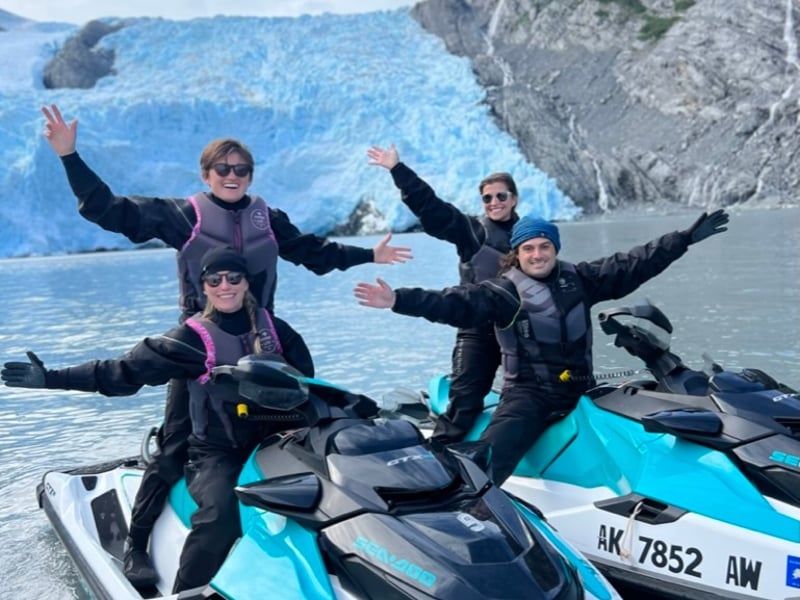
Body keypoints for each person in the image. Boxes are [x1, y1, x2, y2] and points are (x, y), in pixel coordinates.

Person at [40, 104, 413, 587]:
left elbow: (314, 253)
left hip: (264, 339)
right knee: (175, 446)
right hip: (199, 348)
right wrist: (69, 156)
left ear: (251, 175)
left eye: (241, 169)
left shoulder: (267, 218)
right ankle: (136, 544)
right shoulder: (184, 216)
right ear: (206, 174)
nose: (232, 176)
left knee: (294, 426)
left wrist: (370, 254)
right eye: (223, 169)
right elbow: (111, 211)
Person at [3, 247, 315, 592]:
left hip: (275, 444)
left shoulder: (278, 332)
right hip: (217, 450)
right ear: (204, 287)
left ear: (246, 283)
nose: (225, 286)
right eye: (215, 279)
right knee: (218, 510)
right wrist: (51, 378)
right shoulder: (190, 338)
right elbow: (122, 371)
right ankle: (164, 570)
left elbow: (311, 388)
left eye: (233, 278)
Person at [354, 210, 730, 485]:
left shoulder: (580, 279)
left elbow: (633, 263)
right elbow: (455, 302)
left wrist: (683, 239)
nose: (537, 254)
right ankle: (463, 506)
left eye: (544, 246)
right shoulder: (503, 291)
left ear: (555, 248)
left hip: (579, 388)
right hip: (529, 397)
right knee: (487, 462)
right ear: (517, 253)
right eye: (529, 248)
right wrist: (398, 299)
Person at [367, 143, 519, 444]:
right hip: (477, 329)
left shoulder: (530, 238)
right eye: (487, 198)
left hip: (519, 329)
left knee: (545, 388)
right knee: (464, 403)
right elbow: (433, 210)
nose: (494, 202)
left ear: (513, 198)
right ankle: (441, 454)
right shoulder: (473, 232)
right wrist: (398, 170)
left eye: (501, 196)